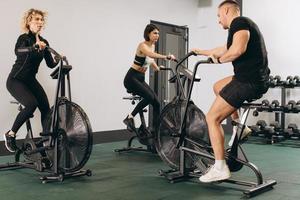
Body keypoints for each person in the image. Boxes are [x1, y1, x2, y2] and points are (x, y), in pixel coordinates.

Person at [191, 0, 270, 182]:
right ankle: (239, 128)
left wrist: (219, 61)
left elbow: (236, 50)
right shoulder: (241, 26)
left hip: (248, 81)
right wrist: (202, 52)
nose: (219, 20)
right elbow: (225, 49)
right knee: (218, 86)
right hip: (251, 78)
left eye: (219, 15)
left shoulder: (240, 23)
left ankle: (220, 167)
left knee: (212, 118)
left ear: (227, 10)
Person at [4, 9, 58, 152]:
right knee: (31, 104)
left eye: (41, 20)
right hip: (16, 80)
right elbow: (19, 51)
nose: (40, 22)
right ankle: (10, 134)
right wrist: (34, 47)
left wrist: (58, 59)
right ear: (29, 22)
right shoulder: (23, 38)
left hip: (30, 80)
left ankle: (46, 141)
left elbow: (50, 64)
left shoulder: (44, 42)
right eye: (36, 20)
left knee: (46, 108)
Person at [123, 24, 176, 133]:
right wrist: (166, 57)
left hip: (140, 78)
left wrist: (157, 68)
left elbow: (150, 59)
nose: (157, 35)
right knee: (149, 96)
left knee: (156, 102)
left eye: (158, 33)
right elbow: (150, 54)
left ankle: (156, 130)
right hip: (131, 78)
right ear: (148, 34)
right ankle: (130, 117)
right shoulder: (142, 46)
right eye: (155, 33)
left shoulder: (152, 46)